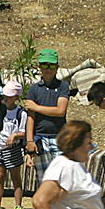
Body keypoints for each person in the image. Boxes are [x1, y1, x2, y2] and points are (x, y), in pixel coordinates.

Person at [24, 49, 70, 177]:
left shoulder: (63, 87)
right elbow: (30, 117)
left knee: (62, 177)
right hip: (40, 138)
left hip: (59, 137)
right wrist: (29, 141)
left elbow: (60, 111)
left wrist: (36, 107)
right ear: (39, 67)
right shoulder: (34, 89)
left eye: (51, 66)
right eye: (44, 65)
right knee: (44, 178)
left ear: (57, 68)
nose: (48, 69)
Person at [0, 80, 29, 209]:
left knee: (15, 177)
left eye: (9, 96)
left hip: (12, 149)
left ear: (16, 97)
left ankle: (18, 205)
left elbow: (24, 131)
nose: (6, 98)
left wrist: (15, 136)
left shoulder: (21, 113)